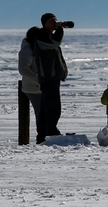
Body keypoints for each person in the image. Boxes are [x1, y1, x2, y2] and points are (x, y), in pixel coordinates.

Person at [33, 13, 69, 142]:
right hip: (48, 77)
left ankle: (43, 135)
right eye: (52, 21)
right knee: (53, 107)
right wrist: (60, 28)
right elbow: (55, 42)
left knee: (46, 107)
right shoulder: (42, 35)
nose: (55, 23)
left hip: (52, 77)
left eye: (56, 20)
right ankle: (51, 132)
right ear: (45, 23)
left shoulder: (48, 36)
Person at [18, 26, 44, 143]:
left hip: (40, 87)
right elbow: (24, 69)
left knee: (44, 114)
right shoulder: (27, 50)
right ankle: (42, 137)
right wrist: (38, 80)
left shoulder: (37, 48)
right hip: (33, 88)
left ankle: (44, 135)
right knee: (41, 115)